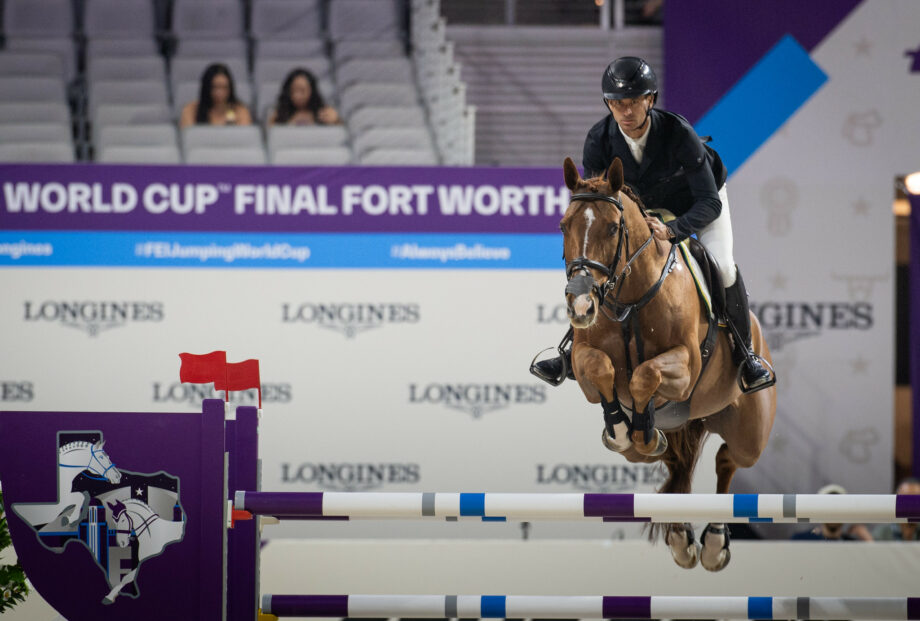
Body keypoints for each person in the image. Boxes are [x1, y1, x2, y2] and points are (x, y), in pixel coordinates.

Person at [530, 56, 774, 393]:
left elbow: (710, 202)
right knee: (603, 267)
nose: (626, 112)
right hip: (642, 213)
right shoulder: (599, 139)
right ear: (608, 104)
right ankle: (569, 349)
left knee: (722, 265)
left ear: (651, 100)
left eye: (633, 102)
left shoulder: (678, 134)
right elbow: (599, 202)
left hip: (696, 203)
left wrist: (673, 230)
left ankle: (746, 355)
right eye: (617, 103)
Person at [179, 63, 253, 128]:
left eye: (224, 87)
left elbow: (244, 136)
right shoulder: (190, 110)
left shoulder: (241, 111)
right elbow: (188, 136)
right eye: (214, 87)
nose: (219, 93)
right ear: (206, 88)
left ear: (230, 89)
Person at [791, 484, 873, 541]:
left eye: (838, 507)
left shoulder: (852, 544)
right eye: (828, 507)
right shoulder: (801, 540)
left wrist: (868, 539)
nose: (833, 513)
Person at [267, 68, 340, 126]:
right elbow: (271, 137)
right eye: (293, 91)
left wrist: (336, 121)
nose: (297, 96)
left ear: (312, 91)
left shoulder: (325, 112)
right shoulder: (279, 115)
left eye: (302, 91)